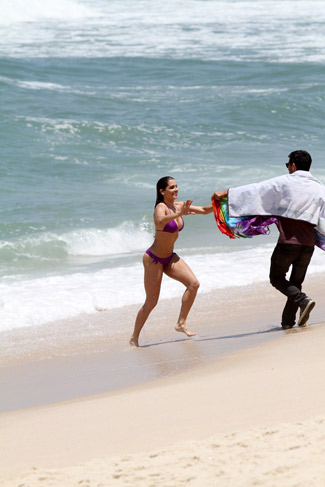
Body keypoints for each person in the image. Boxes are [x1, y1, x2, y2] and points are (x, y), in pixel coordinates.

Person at [212, 150, 325, 330]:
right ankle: (288, 322)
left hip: (288, 243)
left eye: (288, 165)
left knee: (276, 278)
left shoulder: (286, 182)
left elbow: (256, 190)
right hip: (308, 245)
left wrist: (226, 193)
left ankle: (303, 300)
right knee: (295, 283)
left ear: (293, 165)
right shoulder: (320, 187)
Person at [130, 176, 213, 347]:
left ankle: (180, 323)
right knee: (151, 302)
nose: (176, 190)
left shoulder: (179, 205)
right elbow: (160, 220)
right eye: (172, 187)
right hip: (154, 259)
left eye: (176, 186)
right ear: (162, 191)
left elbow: (204, 210)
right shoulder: (161, 207)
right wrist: (179, 214)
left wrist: (222, 203)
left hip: (169, 257)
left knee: (193, 284)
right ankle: (134, 338)